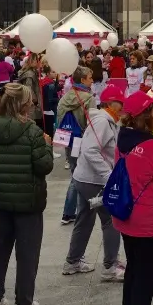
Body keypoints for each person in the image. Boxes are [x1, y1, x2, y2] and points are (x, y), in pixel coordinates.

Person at [0, 83, 53, 305]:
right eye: (29, 101)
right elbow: (44, 167)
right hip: (28, 203)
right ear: (23, 104)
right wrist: (47, 145)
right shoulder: (32, 131)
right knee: (27, 253)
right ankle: (24, 304)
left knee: (0, 249)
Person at [114, 91, 153, 305]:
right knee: (146, 275)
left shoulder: (122, 141)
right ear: (145, 117)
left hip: (125, 216)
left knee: (134, 269)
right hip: (148, 222)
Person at [62, 85, 125, 280]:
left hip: (84, 178)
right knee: (111, 221)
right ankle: (110, 266)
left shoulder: (106, 120)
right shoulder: (103, 122)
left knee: (84, 218)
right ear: (110, 104)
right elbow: (90, 151)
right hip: (94, 181)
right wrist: (109, 176)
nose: (122, 107)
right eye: (120, 103)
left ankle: (72, 261)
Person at [58, 65, 97, 224]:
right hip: (81, 140)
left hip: (67, 140)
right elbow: (93, 124)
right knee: (78, 176)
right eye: (90, 78)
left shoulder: (65, 97)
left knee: (75, 173)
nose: (92, 80)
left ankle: (72, 211)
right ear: (83, 80)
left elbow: (59, 120)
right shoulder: (89, 98)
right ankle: (69, 212)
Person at [16, 54, 43, 131]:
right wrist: (35, 100)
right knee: (30, 123)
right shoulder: (30, 74)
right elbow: (28, 88)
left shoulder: (31, 72)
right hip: (30, 104)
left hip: (29, 102)